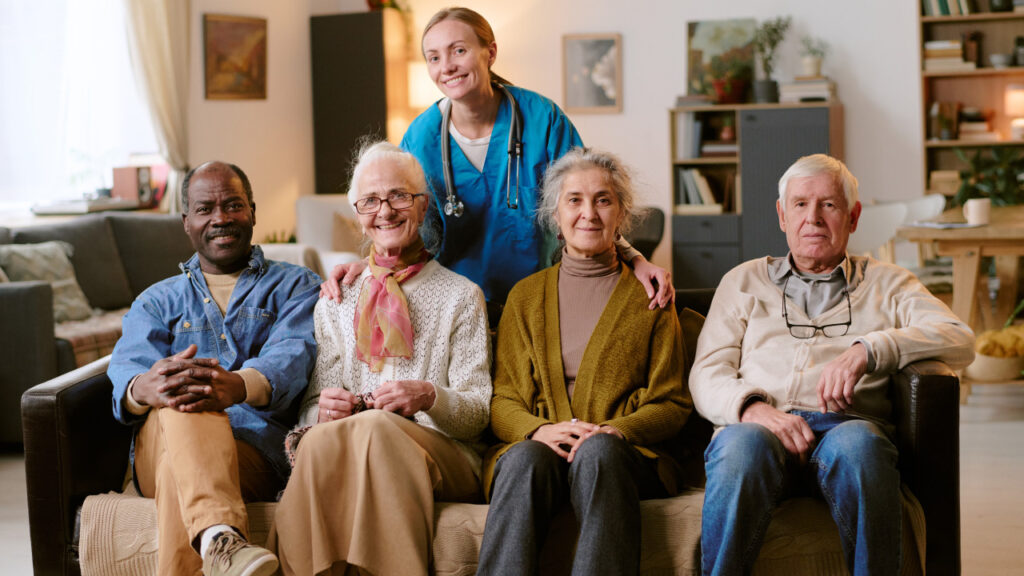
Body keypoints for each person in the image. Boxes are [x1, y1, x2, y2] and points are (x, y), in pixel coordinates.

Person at [690, 154, 975, 576]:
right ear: (782, 215)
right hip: (759, 430)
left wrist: (869, 349)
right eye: (800, 204)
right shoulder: (742, 282)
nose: (813, 218)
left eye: (829, 205)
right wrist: (753, 409)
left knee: (862, 447)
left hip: (846, 430)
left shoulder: (889, 283)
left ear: (853, 217)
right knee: (741, 447)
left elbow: (959, 338)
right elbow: (706, 373)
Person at [322, 6, 673, 308]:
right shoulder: (420, 137)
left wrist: (635, 259)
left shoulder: (543, 119)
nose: (447, 66)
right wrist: (366, 267)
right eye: (434, 57)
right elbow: (398, 220)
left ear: (489, 52)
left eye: (459, 50)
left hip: (542, 300)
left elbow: (585, 205)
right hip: (452, 306)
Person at [267, 142, 492, 576]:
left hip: (447, 454)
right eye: (370, 200)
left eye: (398, 196)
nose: (385, 211)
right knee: (318, 440)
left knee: (373, 426)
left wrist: (428, 396)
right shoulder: (335, 300)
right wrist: (323, 412)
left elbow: (477, 414)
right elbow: (311, 406)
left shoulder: (462, 296)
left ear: (423, 206)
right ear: (358, 215)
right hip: (356, 447)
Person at [476, 148, 692, 576]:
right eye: (574, 200)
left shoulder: (651, 297)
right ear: (555, 215)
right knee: (523, 458)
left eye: (603, 200)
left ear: (621, 214)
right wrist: (539, 430)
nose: (588, 213)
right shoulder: (524, 297)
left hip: (623, 456)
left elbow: (672, 403)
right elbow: (503, 400)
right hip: (541, 454)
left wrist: (617, 431)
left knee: (598, 453)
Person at [108, 161, 320, 576]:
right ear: (186, 222)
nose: (220, 218)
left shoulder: (297, 286)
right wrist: (144, 387)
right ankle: (222, 536)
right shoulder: (156, 301)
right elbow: (127, 368)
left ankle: (216, 538)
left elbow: (293, 356)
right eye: (205, 209)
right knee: (184, 397)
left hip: (254, 452)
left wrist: (236, 386)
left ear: (253, 212)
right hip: (159, 442)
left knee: (179, 459)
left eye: (233, 205)